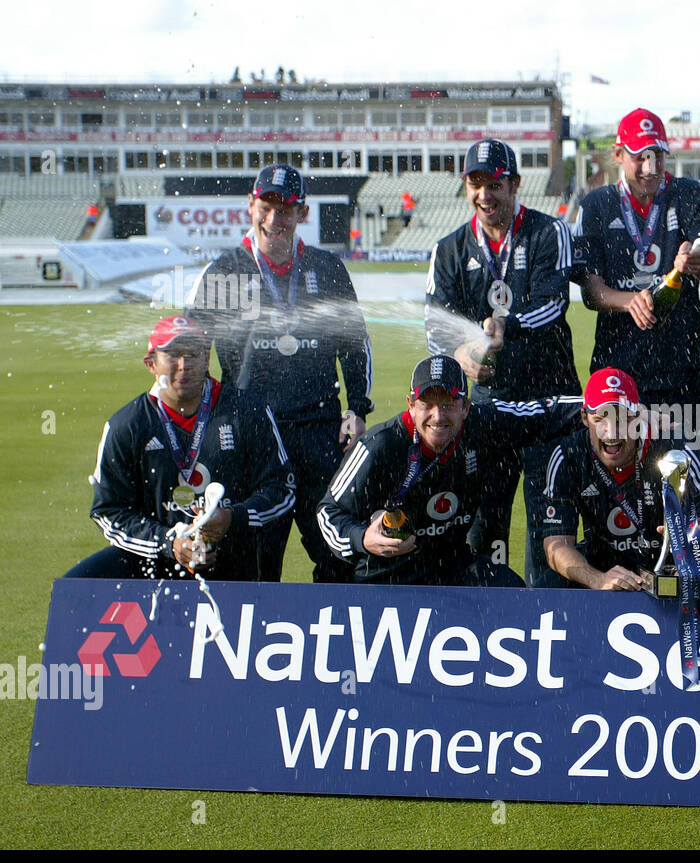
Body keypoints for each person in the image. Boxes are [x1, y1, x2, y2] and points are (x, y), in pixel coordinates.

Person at [186, 163, 373, 583]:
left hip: (318, 429)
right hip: (252, 433)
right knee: (253, 558)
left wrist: (358, 407)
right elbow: (192, 346)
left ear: (302, 213)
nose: (275, 219)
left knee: (336, 553)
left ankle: (335, 640)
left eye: (286, 209)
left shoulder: (327, 270)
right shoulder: (226, 271)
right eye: (266, 206)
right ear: (251, 206)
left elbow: (356, 344)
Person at [423, 138, 580, 586]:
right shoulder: (449, 249)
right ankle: (489, 625)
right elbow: (437, 329)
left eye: (495, 184)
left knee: (548, 530)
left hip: (552, 406)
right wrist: (462, 356)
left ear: (514, 184)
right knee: (484, 527)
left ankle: (548, 625)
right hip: (488, 410)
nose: (485, 195)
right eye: (476, 184)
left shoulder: (549, 232)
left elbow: (554, 305)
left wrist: (503, 327)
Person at [317, 356, 579, 586]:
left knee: (510, 593)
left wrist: (610, 405)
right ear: (410, 404)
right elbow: (328, 513)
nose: (438, 416)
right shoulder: (379, 446)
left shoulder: (483, 423)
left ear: (466, 406)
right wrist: (362, 539)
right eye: (427, 404)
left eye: (448, 403)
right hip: (385, 574)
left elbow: (546, 412)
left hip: (451, 566)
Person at [67, 315, 294, 581]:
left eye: (193, 353)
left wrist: (233, 518)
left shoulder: (248, 411)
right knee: (75, 587)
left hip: (236, 556)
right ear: (151, 363)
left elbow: (282, 489)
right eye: (173, 355)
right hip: (155, 562)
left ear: (207, 358)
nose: (184, 365)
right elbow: (108, 511)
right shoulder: (127, 425)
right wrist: (169, 542)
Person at [571, 108, 700, 455]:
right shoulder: (596, 204)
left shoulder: (689, 194)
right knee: (619, 486)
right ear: (618, 154)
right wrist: (628, 301)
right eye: (640, 157)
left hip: (680, 375)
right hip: (616, 375)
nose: (650, 168)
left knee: (683, 482)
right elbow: (590, 291)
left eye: (657, 156)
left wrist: (699, 262)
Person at [541, 368, 700, 590]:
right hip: (601, 568)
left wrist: (683, 542)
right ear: (584, 418)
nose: (611, 434)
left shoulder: (676, 450)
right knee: (549, 581)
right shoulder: (567, 456)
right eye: (601, 419)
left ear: (638, 416)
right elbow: (556, 544)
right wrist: (597, 579)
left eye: (622, 419)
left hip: (669, 570)